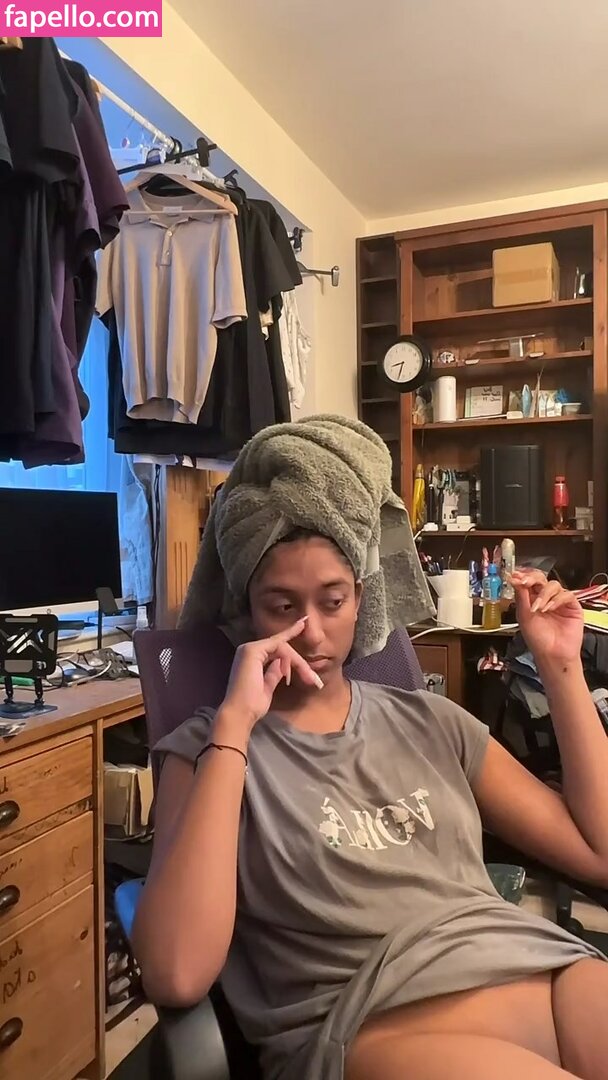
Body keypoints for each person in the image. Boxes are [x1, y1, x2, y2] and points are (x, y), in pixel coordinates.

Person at [134, 529, 608, 1080]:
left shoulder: (431, 720)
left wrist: (560, 666)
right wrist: (233, 725)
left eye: (333, 601)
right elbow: (175, 973)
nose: (312, 631)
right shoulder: (207, 750)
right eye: (283, 607)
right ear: (248, 612)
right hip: (377, 1019)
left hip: (534, 965)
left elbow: (599, 852)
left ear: (359, 599)